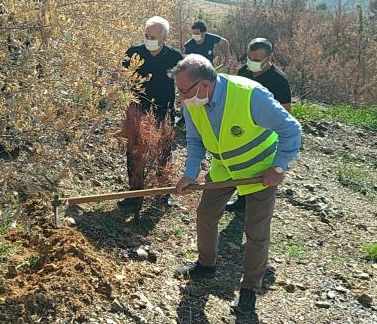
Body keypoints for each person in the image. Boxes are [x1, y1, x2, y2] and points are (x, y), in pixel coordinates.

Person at [171, 54, 301, 314]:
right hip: (223, 168)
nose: (181, 98)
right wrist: (191, 173)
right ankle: (206, 266)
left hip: (259, 170)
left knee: (256, 231)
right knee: (206, 214)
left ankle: (250, 289)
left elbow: (291, 129)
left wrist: (278, 167)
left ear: (204, 85)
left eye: (184, 91)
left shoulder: (250, 95)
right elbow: (195, 142)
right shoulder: (192, 102)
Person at [118, 16, 183, 209]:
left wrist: (183, 97)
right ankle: (135, 194)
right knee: (135, 151)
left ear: (164, 38)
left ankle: (162, 192)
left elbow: (183, 78)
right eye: (146, 35)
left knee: (163, 152)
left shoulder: (174, 56)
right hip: (137, 110)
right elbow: (121, 74)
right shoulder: (134, 52)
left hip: (163, 111)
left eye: (152, 36)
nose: (148, 39)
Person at [227, 37, 292, 213]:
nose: (251, 63)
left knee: (260, 173)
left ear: (268, 59)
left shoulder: (279, 80)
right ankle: (241, 201)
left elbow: (286, 112)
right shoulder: (243, 73)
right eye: (250, 58)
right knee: (242, 165)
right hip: (243, 130)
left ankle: (257, 208)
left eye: (256, 60)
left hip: (266, 134)